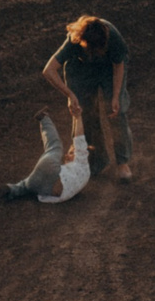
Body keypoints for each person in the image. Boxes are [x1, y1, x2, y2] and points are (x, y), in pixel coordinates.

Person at [42, 13, 133, 181]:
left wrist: (115, 95)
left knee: (115, 111)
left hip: (108, 69)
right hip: (80, 69)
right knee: (83, 113)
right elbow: (49, 70)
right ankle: (95, 161)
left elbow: (118, 64)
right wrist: (70, 95)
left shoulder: (112, 36)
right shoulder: (74, 39)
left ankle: (122, 162)